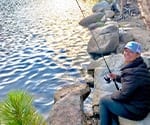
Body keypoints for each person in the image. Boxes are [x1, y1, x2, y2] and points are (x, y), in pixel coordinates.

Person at [99, 41, 150, 125]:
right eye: (126, 51)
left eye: (131, 52)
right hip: (140, 105)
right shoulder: (139, 65)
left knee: (104, 101)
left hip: (136, 111)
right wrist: (116, 77)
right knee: (111, 102)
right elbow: (132, 82)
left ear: (138, 54)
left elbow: (123, 95)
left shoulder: (134, 72)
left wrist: (112, 95)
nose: (127, 53)